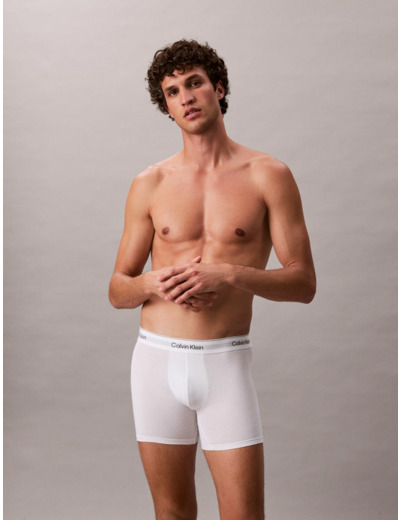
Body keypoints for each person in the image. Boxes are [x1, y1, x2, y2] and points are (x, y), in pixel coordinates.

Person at [109, 39, 316, 520]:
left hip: (225, 363)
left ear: (218, 88)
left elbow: (304, 283)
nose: (186, 97)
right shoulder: (150, 183)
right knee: (171, 513)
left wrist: (229, 274)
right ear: (166, 108)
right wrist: (153, 284)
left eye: (194, 83)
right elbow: (118, 288)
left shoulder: (268, 175)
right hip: (155, 363)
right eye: (173, 91)